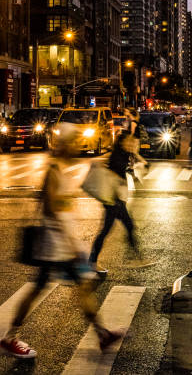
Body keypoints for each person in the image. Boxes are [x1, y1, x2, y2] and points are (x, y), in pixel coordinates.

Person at [0, 123, 122, 359]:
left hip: (61, 244)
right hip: (55, 245)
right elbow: (53, 209)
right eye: (74, 139)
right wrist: (71, 243)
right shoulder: (54, 169)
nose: (78, 143)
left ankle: (102, 334)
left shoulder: (62, 167)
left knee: (79, 286)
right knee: (42, 288)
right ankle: (8, 338)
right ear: (65, 143)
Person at [89, 131, 151, 274]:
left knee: (109, 229)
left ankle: (93, 261)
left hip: (115, 199)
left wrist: (136, 154)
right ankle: (135, 258)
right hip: (113, 199)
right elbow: (118, 175)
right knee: (125, 226)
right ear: (122, 143)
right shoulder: (118, 156)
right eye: (128, 141)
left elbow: (142, 167)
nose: (131, 144)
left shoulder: (124, 154)